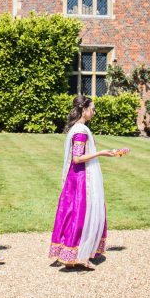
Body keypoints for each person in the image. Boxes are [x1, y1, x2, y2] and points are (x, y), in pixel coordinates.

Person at [49, 96, 118, 269]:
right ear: (84, 110)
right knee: (82, 213)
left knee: (73, 213)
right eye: (92, 109)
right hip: (81, 178)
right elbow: (78, 158)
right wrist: (101, 153)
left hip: (76, 176)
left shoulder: (78, 128)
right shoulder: (80, 131)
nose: (94, 112)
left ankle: (72, 252)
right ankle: (81, 255)